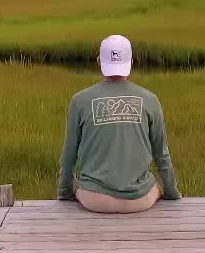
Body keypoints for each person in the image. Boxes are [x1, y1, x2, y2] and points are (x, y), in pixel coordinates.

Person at [57, 34, 181, 212]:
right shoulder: (150, 100)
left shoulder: (79, 101)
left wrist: (65, 193)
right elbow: (162, 155)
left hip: (93, 201)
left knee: (79, 185)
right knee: (155, 186)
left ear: (99, 62)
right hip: (139, 201)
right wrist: (171, 193)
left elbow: (69, 157)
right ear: (131, 62)